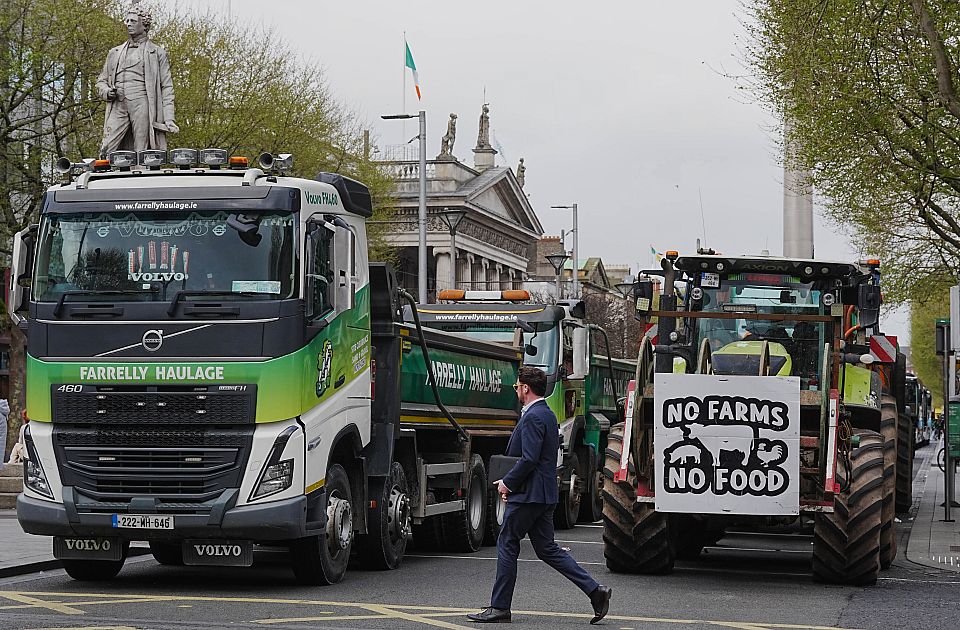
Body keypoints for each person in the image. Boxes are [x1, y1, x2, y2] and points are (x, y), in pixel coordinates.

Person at [467, 366, 612, 624]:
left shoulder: (534, 416)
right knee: (547, 549)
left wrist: (508, 484)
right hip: (542, 494)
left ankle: (500, 607)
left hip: (529, 496)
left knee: (507, 542)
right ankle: (595, 591)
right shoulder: (545, 413)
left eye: (517, 387)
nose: (517, 391)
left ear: (525, 388)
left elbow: (530, 458)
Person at [96, 2, 178, 156]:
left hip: (142, 102)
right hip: (118, 103)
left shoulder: (157, 53)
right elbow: (101, 81)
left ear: (144, 25)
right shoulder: (114, 52)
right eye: (127, 21)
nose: (128, 24)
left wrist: (169, 118)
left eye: (133, 21)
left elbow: (167, 87)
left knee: (142, 150)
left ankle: (140, 177)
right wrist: (107, 91)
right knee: (106, 148)